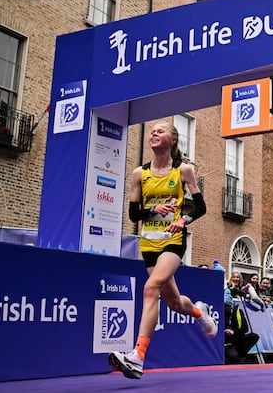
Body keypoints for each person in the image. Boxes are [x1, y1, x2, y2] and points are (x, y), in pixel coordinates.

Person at [108, 122, 216, 380]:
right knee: (174, 302)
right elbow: (134, 214)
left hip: (172, 240)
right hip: (149, 242)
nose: (155, 133)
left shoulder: (183, 171)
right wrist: (153, 211)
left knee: (150, 287)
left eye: (162, 130)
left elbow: (200, 207)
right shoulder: (139, 174)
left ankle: (137, 356)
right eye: (153, 130)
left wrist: (184, 220)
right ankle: (199, 312)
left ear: (173, 140)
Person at [224, 289, 260, 364]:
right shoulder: (220, 313)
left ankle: (242, 354)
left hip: (237, 337)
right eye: (224, 306)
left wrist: (233, 331)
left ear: (231, 305)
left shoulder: (238, 312)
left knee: (254, 336)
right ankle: (236, 356)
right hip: (227, 341)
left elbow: (245, 328)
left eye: (227, 306)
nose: (225, 307)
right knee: (234, 358)